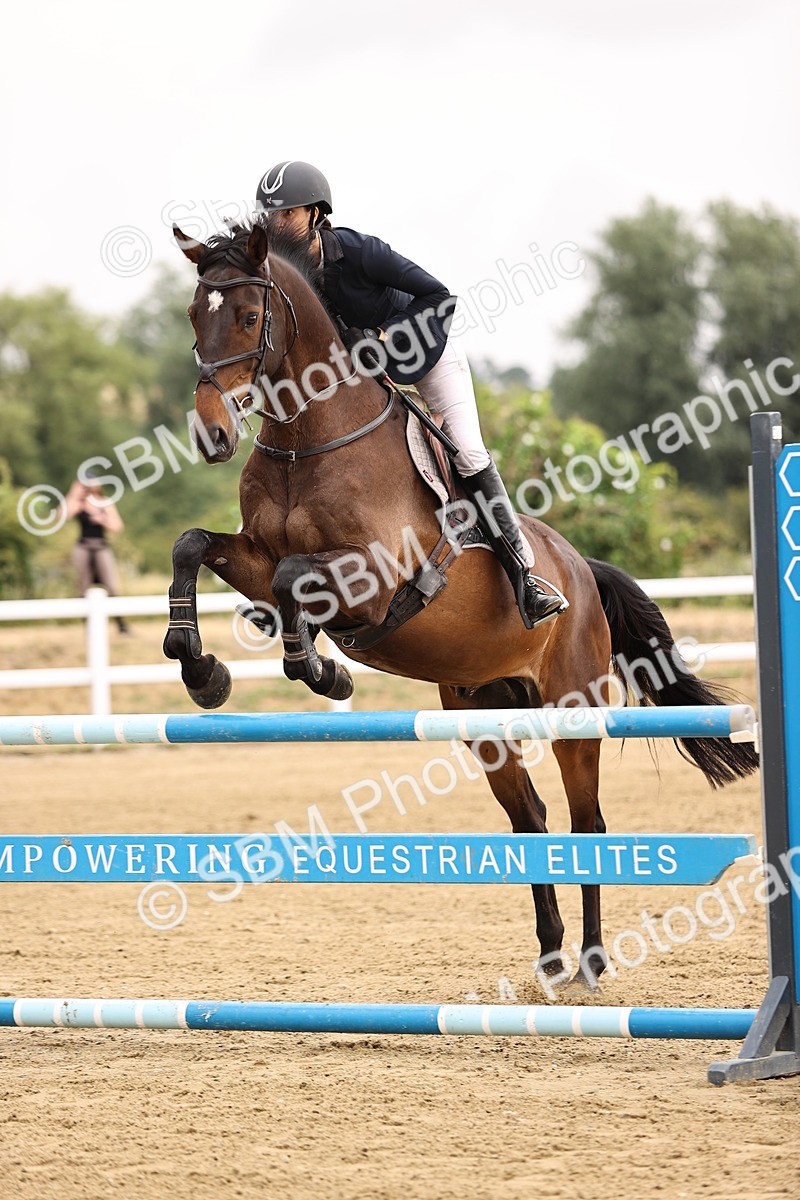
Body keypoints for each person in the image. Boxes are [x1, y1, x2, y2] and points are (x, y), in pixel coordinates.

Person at [254, 160, 565, 628]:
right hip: (362, 372)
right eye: (269, 215)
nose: (275, 224)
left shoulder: (361, 252)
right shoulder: (286, 274)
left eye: (287, 214)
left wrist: (383, 340)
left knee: (469, 454)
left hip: (426, 353)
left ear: (317, 215)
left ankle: (525, 577)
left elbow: (439, 297)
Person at [65, 474, 129, 633]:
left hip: (101, 546)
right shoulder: (79, 503)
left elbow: (118, 526)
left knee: (112, 586)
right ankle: (88, 625)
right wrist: (74, 493)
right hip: (83, 546)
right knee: (83, 585)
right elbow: (64, 515)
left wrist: (102, 520)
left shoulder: (104, 502)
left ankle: (121, 625)